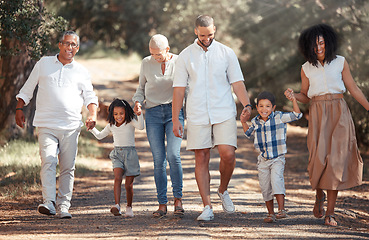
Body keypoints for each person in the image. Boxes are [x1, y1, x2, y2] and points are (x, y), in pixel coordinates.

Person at [285, 24, 369, 226]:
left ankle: (330, 213)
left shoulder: (340, 62)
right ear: (308, 48)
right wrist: (293, 95)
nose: (318, 48)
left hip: (339, 111)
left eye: (321, 43)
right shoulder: (306, 68)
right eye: (314, 45)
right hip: (317, 113)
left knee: (335, 162)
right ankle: (319, 194)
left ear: (327, 42)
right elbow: (305, 96)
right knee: (318, 159)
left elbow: (353, 88)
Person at [172, 15, 252, 221]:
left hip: (223, 110)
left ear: (214, 30)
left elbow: (237, 82)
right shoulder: (185, 56)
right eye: (202, 35)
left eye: (210, 34)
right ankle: (207, 206)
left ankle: (223, 190)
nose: (206, 38)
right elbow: (179, 91)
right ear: (195, 32)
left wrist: (247, 105)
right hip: (197, 113)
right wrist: (175, 119)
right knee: (201, 157)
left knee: (228, 155)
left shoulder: (226, 53)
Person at [15, 31, 98, 219]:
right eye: (67, 44)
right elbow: (28, 88)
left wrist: (92, 114)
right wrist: (19, 108)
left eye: (74, 45)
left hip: (70, 126)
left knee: (68, 167)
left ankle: (64, 206)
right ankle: (49, 202)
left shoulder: (81, 71)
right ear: (60, 45)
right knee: (49, 161)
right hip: (46, 123)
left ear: (77, 48)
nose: (70, 48)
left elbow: (90, 96)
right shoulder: (43, 64)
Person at [132, 34, 185, 217]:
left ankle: (178, 199)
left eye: (159, 54)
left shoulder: (179, 61)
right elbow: (140, 88)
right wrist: (138, 102)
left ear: (167, 50)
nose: (155, 57)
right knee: (158, 160)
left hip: (174, 112)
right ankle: (162, 203)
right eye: (152, 54)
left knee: (173, 154)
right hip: (153, 113)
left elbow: (187, 86)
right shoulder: (146, 63)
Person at [240, 91, 302, 223]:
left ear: (273, 108)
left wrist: (294, 100)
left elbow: (297, 115)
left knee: (276, 180)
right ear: (257, 108)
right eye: (261, 106)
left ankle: (281, 210)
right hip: (263, 160)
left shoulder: (279, 117)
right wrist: (243, 121)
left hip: (277, 158)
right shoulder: (255, 121)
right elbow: (248, 134)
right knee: (265, 186)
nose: (264, 109)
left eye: (268, 106)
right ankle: (270, 213)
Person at [89, 99, 144, 217]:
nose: (119, 116)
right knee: (117, 178)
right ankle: (117, 205)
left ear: (126, 112)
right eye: (115, 114)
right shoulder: (111, 125)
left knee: (128, 185)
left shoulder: (130, 122)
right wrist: (91, 128)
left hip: (130, 154)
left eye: (121, 113)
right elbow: (99, 136)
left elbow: (141, 126)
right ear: (112, 114)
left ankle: (129, 206)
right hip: (117, 154)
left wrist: (140, 114)